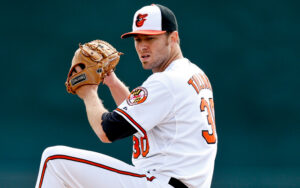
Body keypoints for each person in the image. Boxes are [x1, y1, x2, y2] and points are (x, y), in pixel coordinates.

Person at [35, 4, 217, 188]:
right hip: (175, 182)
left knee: (54, 160)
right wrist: (112, 82)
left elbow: (106, 130)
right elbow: (139, 115)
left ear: (173, 37)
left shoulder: (166, 82)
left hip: (160, 182)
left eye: (150, 38)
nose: (142, 46)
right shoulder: (193, 74)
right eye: (137, 39)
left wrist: (88, 92)